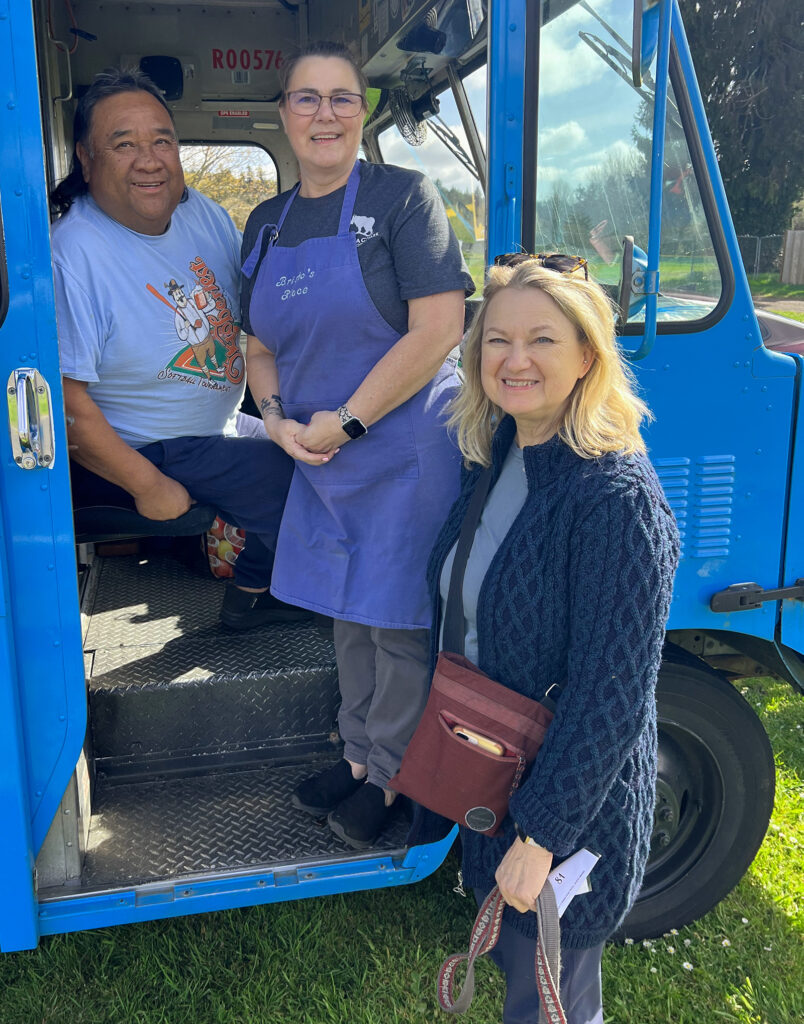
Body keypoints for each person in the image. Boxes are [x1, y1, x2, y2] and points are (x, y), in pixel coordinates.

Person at [424, 254, 680, 1023]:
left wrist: (541, 837)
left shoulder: (615, 500)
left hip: (566, 813)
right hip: (497, 775)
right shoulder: (496, 451)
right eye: (496, 340)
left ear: (587, 357)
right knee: (520, 977)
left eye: (542, 339)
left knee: (548, 1003)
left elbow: (614, 698)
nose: (515, 359)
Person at [241, 41, 475, 848]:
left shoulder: (405, 199)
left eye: (342, 98)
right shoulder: (265, 222)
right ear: (284, 115)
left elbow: (439, 329)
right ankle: (355, 757)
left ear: (364, 111)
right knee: (348, 615)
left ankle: (395, 777)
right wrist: (275, 418)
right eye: (306, 98)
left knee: (399, 622)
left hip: (402, 448)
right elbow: (256, 342)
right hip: (317, 452)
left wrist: (344, 421)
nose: (325, 114)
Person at [50, 67, 306, 630]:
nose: (149, 159)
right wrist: (149, 486)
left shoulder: (203, 214)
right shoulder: (75, 254)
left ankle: (258, 588)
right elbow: (67, 410)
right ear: (86, 161)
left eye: (162, 140)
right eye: (124, 144)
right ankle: (262, 595)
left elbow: (259, 315)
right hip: (150, 446)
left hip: (215, 426)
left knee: (326, 447)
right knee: (298, 480)